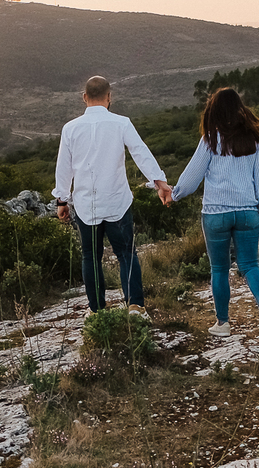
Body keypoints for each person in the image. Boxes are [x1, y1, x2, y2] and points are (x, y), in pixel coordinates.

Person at [53, 76, 172, 319]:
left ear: (84, 97)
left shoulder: (70, 128)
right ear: (109, 97)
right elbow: (141, 153)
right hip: (117, 202)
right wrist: (160, 183)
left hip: (86, 206)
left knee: (91, 257)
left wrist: (62, 201)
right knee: (127, 254)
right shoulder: (122, 123)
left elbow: (63, 168)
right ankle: (135, 307)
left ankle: (97, 311)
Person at [170, 87, 259, 342]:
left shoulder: (210, 140)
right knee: (250, 265)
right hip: (247, 213)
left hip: (215, 214)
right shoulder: (253, 141)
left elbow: (192, 177)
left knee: (219, 268)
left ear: (215, 110)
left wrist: (174, 194)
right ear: (240, 109)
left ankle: (223, 323)